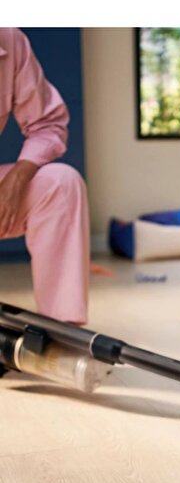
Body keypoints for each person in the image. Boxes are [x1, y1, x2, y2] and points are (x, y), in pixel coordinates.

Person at [0, 28, 89, 323]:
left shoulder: (10, 40)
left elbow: (48, 123)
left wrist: (18, 177)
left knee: (61, 184)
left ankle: (61, 329)